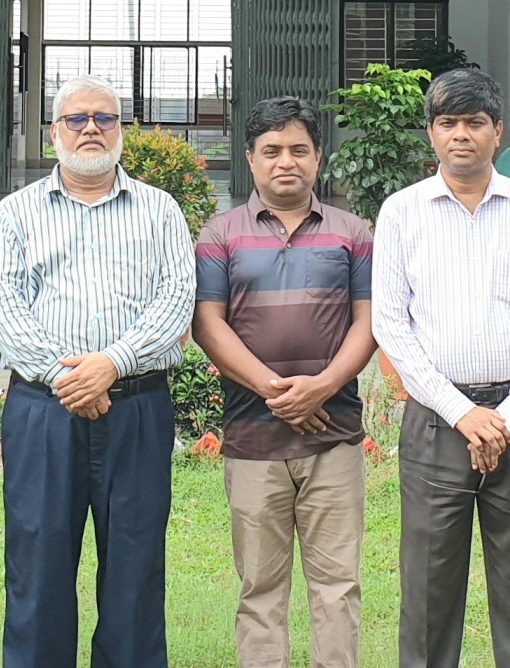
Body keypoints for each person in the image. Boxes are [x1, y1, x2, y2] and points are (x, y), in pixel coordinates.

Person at [0, 74, 194, 668]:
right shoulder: (16, 213)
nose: (92, 129)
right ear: (54, 132)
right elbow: (3, 310)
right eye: (77, 119)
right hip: (43, 412)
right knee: (37, 563)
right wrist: (68, 379)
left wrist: (112, 364)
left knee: (135, 564)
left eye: (105, 118)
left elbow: (177, 299)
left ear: (121, 129)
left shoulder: (160, 210)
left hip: (137, 409)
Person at [371, 67, 510, 668]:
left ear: (498, 131)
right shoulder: (402, 212)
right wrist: (464, 414)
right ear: (432, 132)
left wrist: (508, 417)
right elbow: (392, 325)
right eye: (448, 123)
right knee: (428, 588)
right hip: (437, 421)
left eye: (475, 123)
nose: (461, 134)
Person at [193, 96, 376, 668]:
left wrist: (322, 387)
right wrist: (278, 391)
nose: (286, 162)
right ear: (250, 158)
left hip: (334, 436)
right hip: (253, 438)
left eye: (299, 149)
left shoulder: (353, 232)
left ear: (319, 156)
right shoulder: (220, 234)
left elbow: (370, 322)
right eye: (271, 151)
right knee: (260, 589)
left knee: (338, 584)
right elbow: (207, 324)